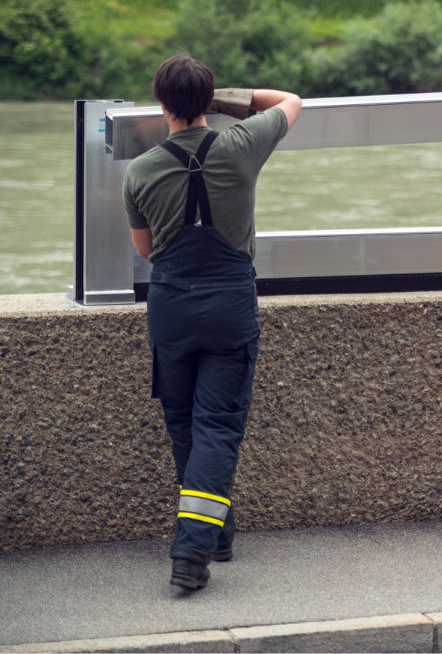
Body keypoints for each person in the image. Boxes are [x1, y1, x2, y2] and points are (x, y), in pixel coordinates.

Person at [123, 53, 302, 588]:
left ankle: (212, 535)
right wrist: (222, 98)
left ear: (160, 104)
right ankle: (193, 552)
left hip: (172, 306)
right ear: (209, 102)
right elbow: (291, 102)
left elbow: (146, 249)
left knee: (184, 424)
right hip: (229, 305)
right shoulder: (241, 146)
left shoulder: (140, 170)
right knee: (217, 426)